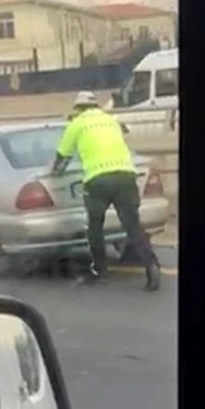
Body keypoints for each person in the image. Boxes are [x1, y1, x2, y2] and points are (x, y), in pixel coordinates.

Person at [51, 90, 161, 289]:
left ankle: (100, 271)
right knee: (133, 225)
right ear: (96, 106)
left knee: (95, 226)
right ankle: (151, 265)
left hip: (98, 180)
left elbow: (62, 157)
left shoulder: (76, 124)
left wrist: (55, 172)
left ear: (78, 108)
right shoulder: (111, 121)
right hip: (125, 176)